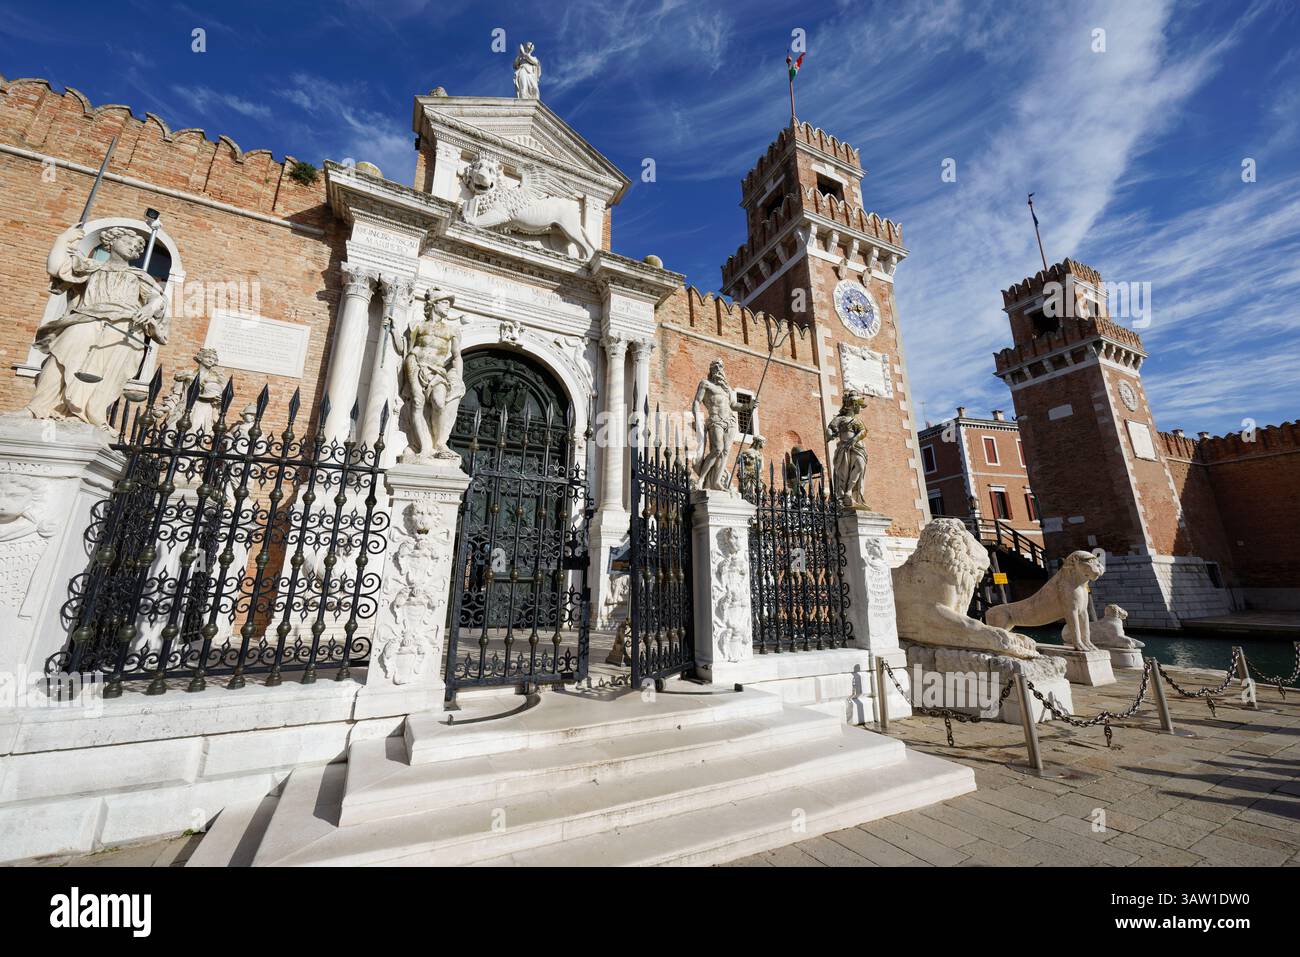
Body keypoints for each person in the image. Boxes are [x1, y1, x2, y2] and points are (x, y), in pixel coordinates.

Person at [27, 224, 168, 427]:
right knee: (61, 354)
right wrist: (63, 239)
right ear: (111, 242)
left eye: (136, 246)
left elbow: (157, 299)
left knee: (106, 371)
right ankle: (39, 407)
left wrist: (149, 309)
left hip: (123, 325)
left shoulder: (139, 276)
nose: (131, 247)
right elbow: (56, 268)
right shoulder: (91, 267)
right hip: (87, 317)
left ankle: (87, 415)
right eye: (127, 241)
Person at [389, 289, 465, 462]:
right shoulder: (417, 325)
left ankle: (439, 442)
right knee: (417, 401)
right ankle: (424, 446)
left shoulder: (451, 330)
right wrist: (394, 331)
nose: (448, 307)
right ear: (433, 304)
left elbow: (457, 357)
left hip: (438, 370)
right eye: (445, 302)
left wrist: (458, 379)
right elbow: (404, 349)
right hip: (415, 364)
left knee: (439, 402)